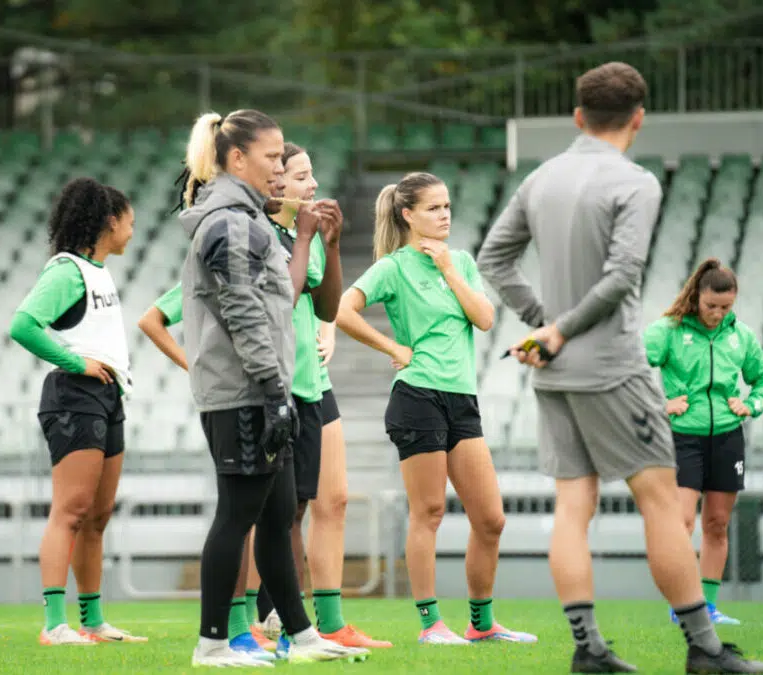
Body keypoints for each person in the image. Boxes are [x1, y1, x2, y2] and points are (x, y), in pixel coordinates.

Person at [476, 61, 763, 674]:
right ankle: (704, 650)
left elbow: (493, 259)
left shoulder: (541, 179)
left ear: (578, 117)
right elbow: (621, 276)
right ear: (639, 118)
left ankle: (588, 650)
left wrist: (545, 323)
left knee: (572, 507)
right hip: (611, 367)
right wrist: (558, 327)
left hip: (553, 372)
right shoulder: (636, 182)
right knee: (662, 502)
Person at [177, 109, 367, 668]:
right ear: (237, 159)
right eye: (273, 156)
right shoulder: (231, 222)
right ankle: (212, 642)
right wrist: (271, 388)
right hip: (243, 394)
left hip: (261, 390)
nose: (281, 168)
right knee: (236, 515)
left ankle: (301, 636)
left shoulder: (249, 219)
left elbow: (278, 301)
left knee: (280, 514)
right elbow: (242, 311)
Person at [336, 171, 537, 646]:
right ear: (408, 214)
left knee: (491, 518)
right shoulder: (393, 267)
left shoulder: (460, 262)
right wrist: (391, 345)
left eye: (447, 206)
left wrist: (448, 269)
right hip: (417, 397)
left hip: (461, 400)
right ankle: (431, 625)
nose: (445, 215)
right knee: (427, 513)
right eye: (433, 208)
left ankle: (482, 623)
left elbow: (485, 319)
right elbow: (342, 310)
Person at [248, 142, 392, 651]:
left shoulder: (294, 234)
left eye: (312, 174)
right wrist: (307, 238)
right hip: (276, 391)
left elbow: (328, 305)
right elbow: (279, 306)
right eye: (302, 175)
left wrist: (330, 245)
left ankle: (328, 622)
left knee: (333, 500)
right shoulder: (259, 235)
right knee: (274, 513)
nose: (313, 185)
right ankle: (262, 619)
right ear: (275, 181)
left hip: (316, 386)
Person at [9, 178, 147, 646]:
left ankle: (92, 621)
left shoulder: (98, 271)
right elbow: (23, 325)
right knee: (71, 510)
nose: (134, 229)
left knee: (98, 514)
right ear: (110, 221)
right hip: (75, 395)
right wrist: (76, 362)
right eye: (130, 220)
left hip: (107, 397)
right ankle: (54, 624)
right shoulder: (66, 271)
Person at [138, 278, 277, 661]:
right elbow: (151, 320)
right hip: (231, 399)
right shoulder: (216, 268)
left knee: (262, 514)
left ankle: (252, 622)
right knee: (240, 516)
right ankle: (236, 628)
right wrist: (192, 364)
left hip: (263, 396)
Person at [644, 258, 763, 627]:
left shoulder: (742, 336)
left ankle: (709, 607)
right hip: (683, 438)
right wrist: (660, 405)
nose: (718, 314)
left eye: (726, 308)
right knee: (682, 523)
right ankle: (683, 604)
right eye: (711, 307)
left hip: (727, 440)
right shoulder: (667, 331)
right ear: (695, 298)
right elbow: (630, 369)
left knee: (717, 524)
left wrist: (750, 405)